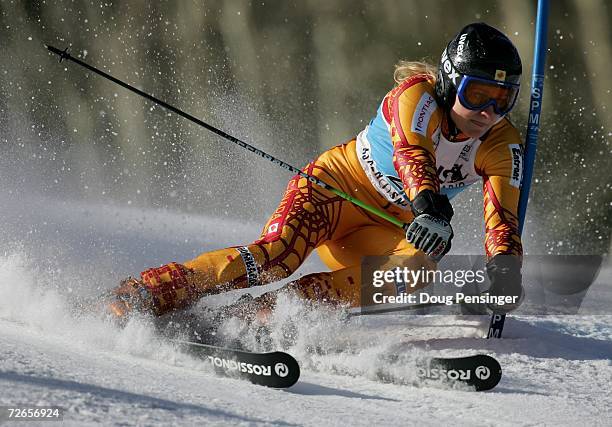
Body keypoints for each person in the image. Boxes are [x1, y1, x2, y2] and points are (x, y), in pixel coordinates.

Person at [105, 22, 524, 323]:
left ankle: (266, 315)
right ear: (451, 82)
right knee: (277, 258)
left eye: (502, 100)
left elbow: (502, 223)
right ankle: (147, 293)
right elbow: (413, 157)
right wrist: (431, 210)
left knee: (417, 269)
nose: (488, 112)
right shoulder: (416, 96)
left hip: (386, 229)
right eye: (477, 94)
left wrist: (505, 274)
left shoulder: (502, 145)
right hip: (336, 192)